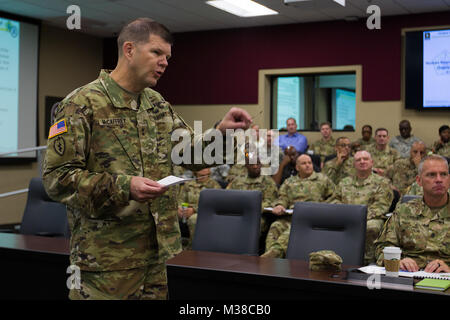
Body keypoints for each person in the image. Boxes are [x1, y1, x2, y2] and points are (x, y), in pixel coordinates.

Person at [42, 18, 252, 300]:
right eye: (156, 53)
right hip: (105, 262)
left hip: (154, 256)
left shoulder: (156, 104)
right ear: (129, 50)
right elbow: (57, 180)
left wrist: (222, 132)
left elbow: (189, 154)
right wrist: (124, 186)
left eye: (167, 56)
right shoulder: (82, 104)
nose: (164, 62)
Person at [375, 155, 450, 272]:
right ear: (419, 181)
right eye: (431, 175)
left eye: (444, 174)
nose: (439, 179)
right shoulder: (403, 211)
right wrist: (396, 260)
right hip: (408, 276)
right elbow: (382, 248)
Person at [328, 150, 393, 264]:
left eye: (365, 159)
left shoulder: (382, 182)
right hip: (345, 217)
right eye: (358, 160)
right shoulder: (344, 182)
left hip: (370, 218)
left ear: (372, 162)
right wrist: (345, 214)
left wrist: (359, 218)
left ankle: (368, 260)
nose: (362, 162)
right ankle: (336, 257)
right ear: (354, 164)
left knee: (372, 227)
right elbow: (334, 199)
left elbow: (381, 206)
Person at [264, 154, 335, 254]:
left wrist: (322, 207)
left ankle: (270, 257)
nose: (308, 165)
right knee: (275, 226)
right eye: (304, 163)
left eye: (309, 163)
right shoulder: (289, 182)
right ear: (297, 167)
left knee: (289, 233)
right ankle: (270, 258)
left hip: (311, 218)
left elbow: (334, 197)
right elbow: (283, 197)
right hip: (291, 216)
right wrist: (280, 205)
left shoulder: (322, 179)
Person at [226, 154, 278, 238]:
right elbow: (227, 197)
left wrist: (249, 208)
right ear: (246, 166)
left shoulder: (268, 182)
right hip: (237, 213)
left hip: (257, 216)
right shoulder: (237, 180)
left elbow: (270, 202)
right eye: (251, 164)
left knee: (252, 225)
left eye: (257, 164)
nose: (255, 166)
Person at [177, 168, 221, 249]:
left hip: (205, 213)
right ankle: (175, 247)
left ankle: (194, 248)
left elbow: (215, 205)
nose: (203, 177)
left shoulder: (214, 185)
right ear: (195, 173)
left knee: (194, 219)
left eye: (206, 175)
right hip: (186, 212)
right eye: (201, 175)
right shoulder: (188, 184)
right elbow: (181, 200)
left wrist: (194, 210)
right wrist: (179, 209)